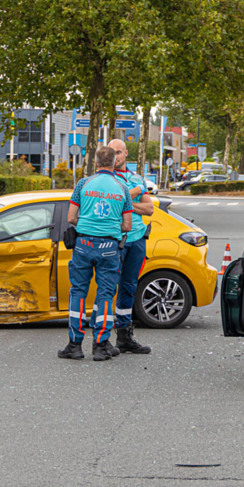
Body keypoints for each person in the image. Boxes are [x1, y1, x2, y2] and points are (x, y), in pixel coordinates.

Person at [58, 145, 132, 362]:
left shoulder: (83, 184)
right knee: (106, 294)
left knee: (78, 291)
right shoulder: (122, 188)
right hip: (109, 248)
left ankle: (75, 345)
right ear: (114, 162)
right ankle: (100, 346)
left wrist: (89, 224)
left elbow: (71, 218)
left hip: (83, 244)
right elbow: (127, 225)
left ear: (96, 162)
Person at [108, 138, 154, 354]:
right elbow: (110, 207)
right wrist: (131, 197)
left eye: (118, 152)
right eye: (111, 152)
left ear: (126, 153)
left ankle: (125, 336)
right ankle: (103, 337)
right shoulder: (105, 179)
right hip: (113, 240)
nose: (115, 156)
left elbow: (149, 210)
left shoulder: (137, 178)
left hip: (136, 239)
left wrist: (125, 202)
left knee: (128, 287)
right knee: (107, 288)